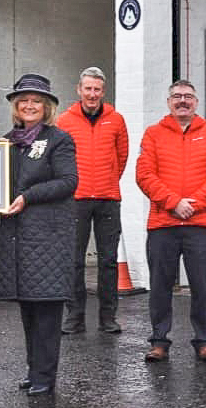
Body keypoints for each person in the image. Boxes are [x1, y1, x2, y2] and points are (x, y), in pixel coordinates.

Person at [0, 73, 77, 397]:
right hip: (19, 237)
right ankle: (34, 370)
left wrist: (29, 196)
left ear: (47, 107)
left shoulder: (59, 140)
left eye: (36, 101)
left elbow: (68, 182)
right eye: (24, 100)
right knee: (29, 307)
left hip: (48, 238)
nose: (29, 105)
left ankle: (45, 375)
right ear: (16, 106)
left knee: (46, 310)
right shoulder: (7, 142)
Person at [136, 80, 206, 363]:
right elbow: (144, 174)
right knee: (160, 286)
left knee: (203, 287)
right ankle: (159, 341)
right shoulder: (153, 134)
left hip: (200, 225)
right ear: (168, 102)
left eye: (188, 96)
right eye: (176, 96)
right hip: (163, 224)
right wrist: (173, 203)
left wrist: (193, 204)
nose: (182, 101)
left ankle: (205, 341)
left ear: (196, 102)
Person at [56, 66, 128, 334]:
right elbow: (61, 159)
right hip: (75, 199)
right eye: (88, 88)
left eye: (97, 89)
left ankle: (108, 318)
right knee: (73, 260)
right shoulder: (65, 121)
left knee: (108, 261)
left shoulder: (116, 120)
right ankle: (74, 317)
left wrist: (108, 180)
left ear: (103, 91)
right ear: (79, 90)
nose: (92, 94)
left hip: (108, 199)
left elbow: (121, 157)